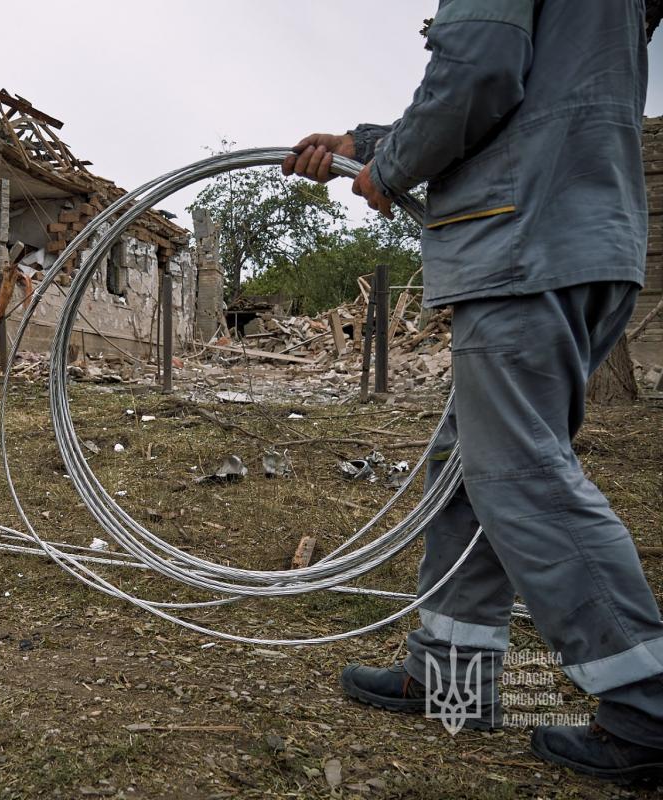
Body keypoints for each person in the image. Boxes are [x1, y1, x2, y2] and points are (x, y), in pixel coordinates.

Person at [282, 0, 662, 783]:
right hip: (576, 230)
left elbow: (478, 69)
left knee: (518, 473)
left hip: (523, 238)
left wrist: (390, 167)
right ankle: (454, 670)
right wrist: (373, 144)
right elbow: (529, 86)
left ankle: (647, 701)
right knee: (470, 467)